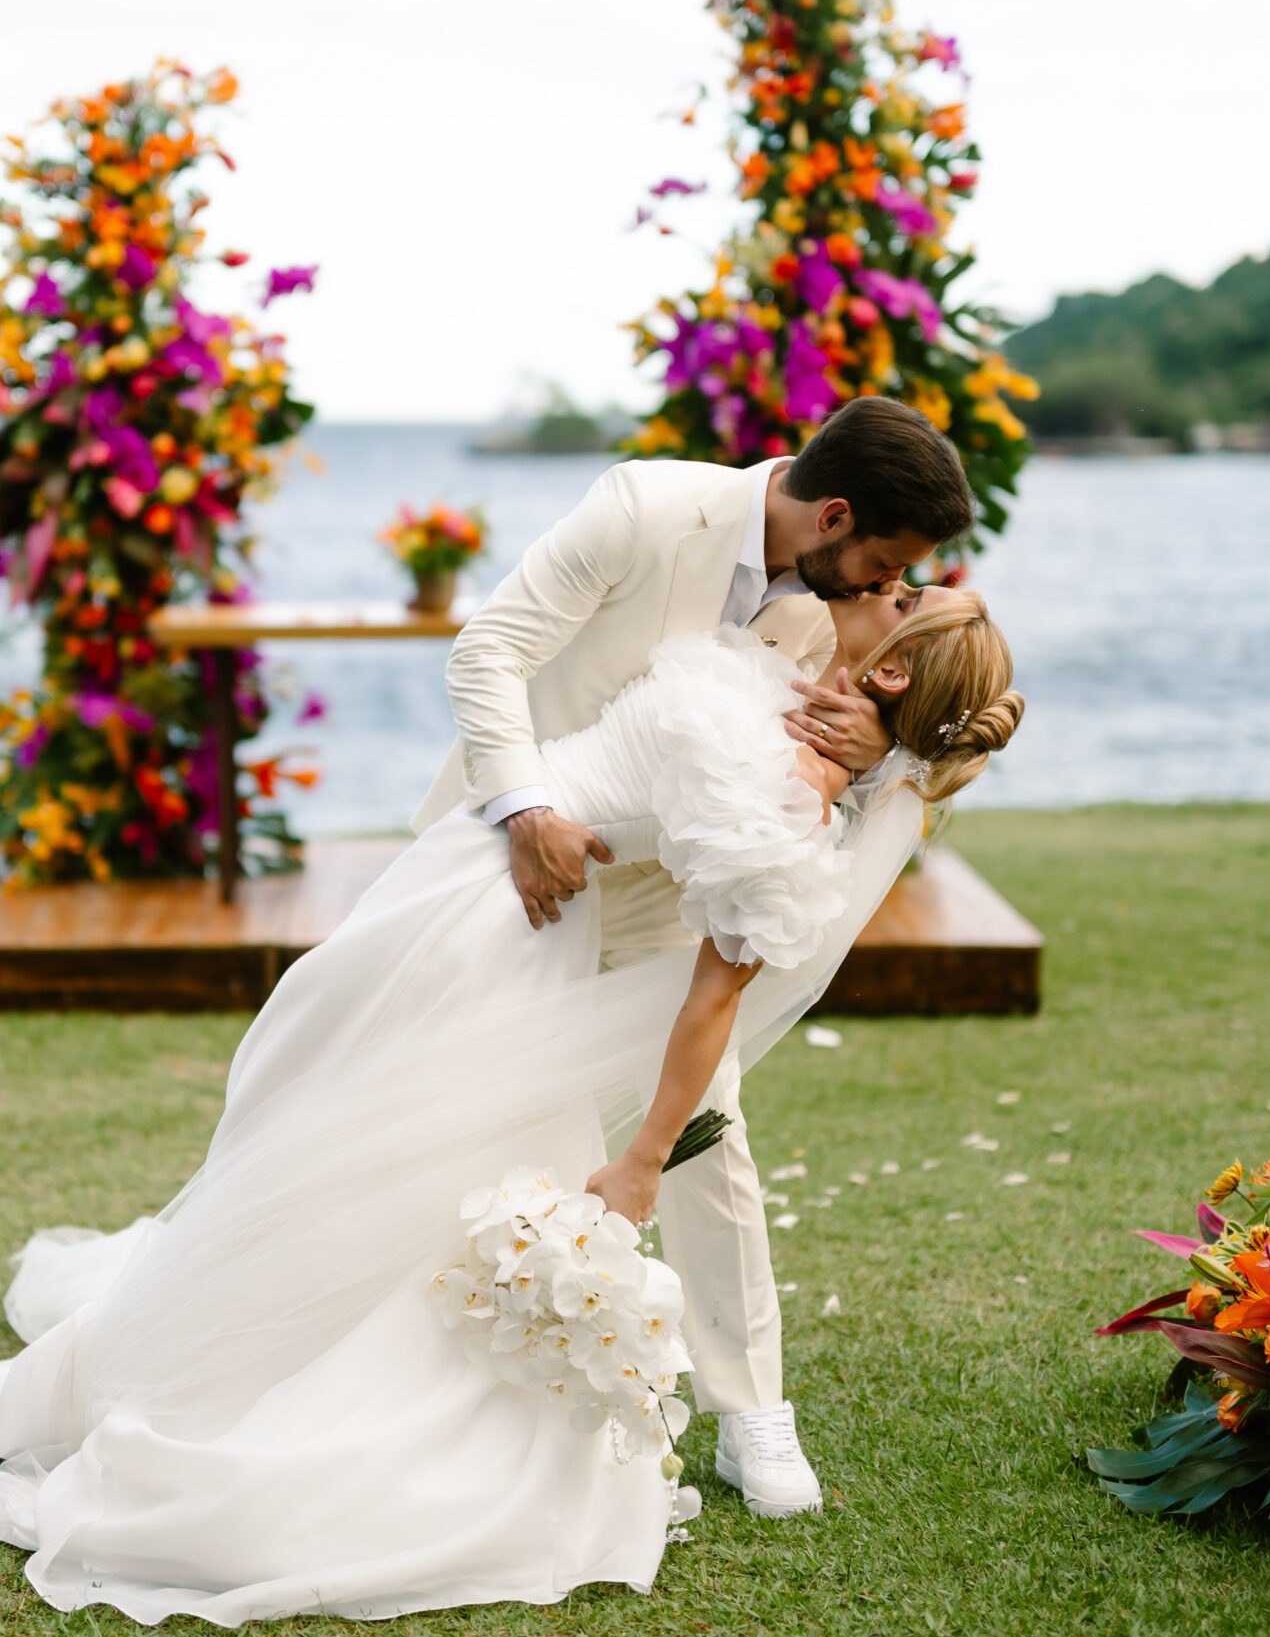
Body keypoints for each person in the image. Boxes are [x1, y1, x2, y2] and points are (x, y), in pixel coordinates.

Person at [0, 576, 1021, 1628]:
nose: (884, 586)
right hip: (472, 878)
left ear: (891, 673)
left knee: (403, 1169)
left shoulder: (784, 810)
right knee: (337, 1131)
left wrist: (642, 1161)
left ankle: (292, 1400)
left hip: (513, 928)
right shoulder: (787, 676)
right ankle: (227, 1350)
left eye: (901, 596)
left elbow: (710, 1005)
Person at [412, 396, 975, 1517]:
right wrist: (526, 811)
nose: (888, 586)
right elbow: (489, 652)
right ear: (834, 515)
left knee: (707, 1124)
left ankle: (750, 1408)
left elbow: (896, 713)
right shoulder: (644, 508)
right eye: (885, 564)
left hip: (679, 884)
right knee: (447, 1109)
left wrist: (876, 740)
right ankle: (440, 1371)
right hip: (519, 855)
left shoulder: (844, 600)